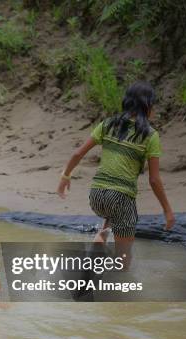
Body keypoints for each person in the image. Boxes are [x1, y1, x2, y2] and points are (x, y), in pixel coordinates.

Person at [57, 81, 175, 268]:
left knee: (111, 219)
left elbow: (77, 153)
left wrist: (65, 177)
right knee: (124, 261)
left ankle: (99, 241)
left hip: (97, 195)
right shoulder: (150, 136)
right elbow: (154, 179)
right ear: (147, 105)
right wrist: (167, 209)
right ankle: (113, 287)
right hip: (121, 198)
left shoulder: (108, 124)